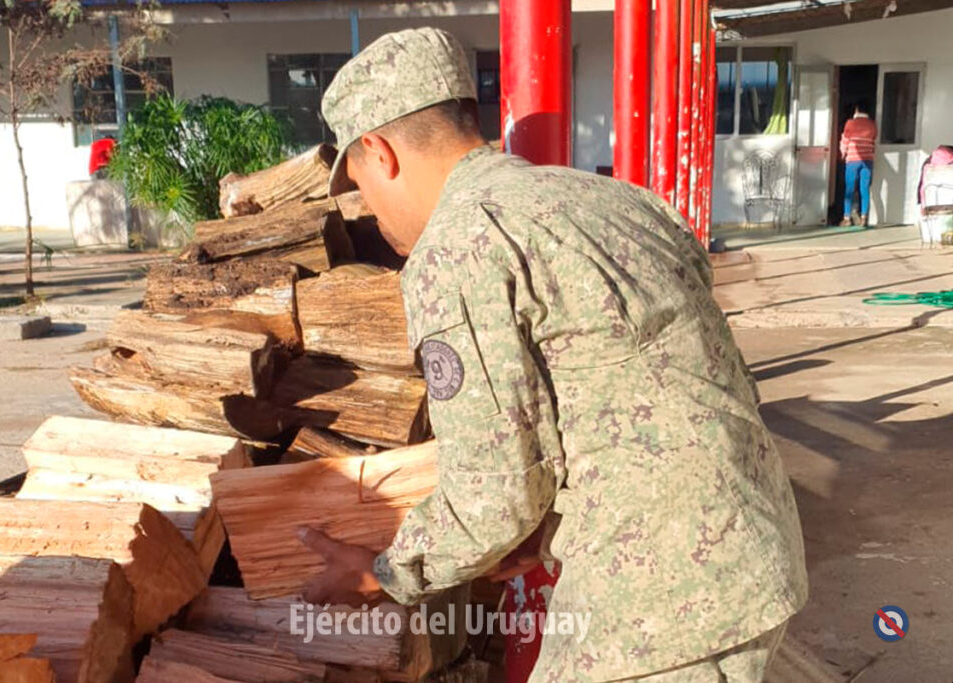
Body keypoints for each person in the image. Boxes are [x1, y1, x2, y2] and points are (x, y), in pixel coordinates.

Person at [298, 27, 808, 683]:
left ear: (380, 152)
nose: (369, 210)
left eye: (360, 186)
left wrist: (386, 572)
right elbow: (643, 375)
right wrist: (542, 533)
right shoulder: (614, 199)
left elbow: (494, 487)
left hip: (661, 600)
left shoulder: (457, 247)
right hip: (749, 545)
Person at [839, 102, 878, 227]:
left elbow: (845, 141)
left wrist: (843, 154)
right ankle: (864, 217)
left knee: (849, 189)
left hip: (853, 160)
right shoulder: (872, 125)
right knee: (864, 189)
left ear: (857, 110)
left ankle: (847, 218)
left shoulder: (850, 123)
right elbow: (873, 141)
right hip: (867, 161)